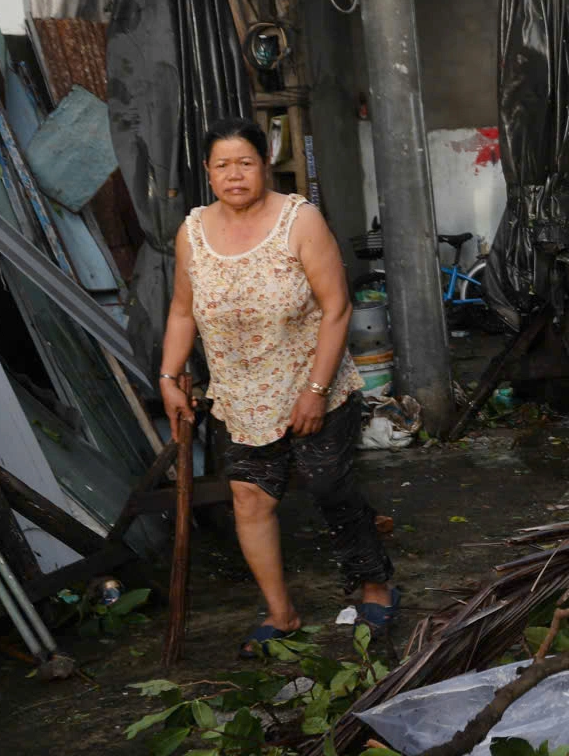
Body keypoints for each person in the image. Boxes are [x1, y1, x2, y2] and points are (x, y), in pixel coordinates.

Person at [158, 118, 396, 654]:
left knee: (328, 488)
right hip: (240, 397)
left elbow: (337, 307)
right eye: (223, 165)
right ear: (207, 172)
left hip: (311, 385)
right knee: (249, 499)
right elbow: (181, 310)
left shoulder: (299, 221)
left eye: (245, 162)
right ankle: (280, 613)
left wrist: (314, 389)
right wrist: (169, 377)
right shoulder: (191, 233)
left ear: (264, 164)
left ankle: (376, 585)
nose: (235, 175)